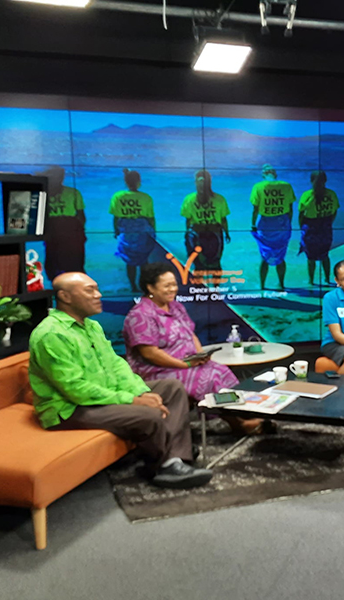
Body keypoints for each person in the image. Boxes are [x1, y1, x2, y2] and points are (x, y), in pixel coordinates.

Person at [28, 272, 212, 489]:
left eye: (97, 289)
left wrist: (141, 392)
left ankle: (172, 456)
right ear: (65, 297)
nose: (98, 295)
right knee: (149, 414)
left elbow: (116, 365)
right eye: (90, 290)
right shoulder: (51, 334)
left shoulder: (91, 326)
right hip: (69, 409)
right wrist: (132, 400)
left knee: (171, 388)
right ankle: (165, 464)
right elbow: (74, 389)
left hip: (102, 395)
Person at [123, 263, 265, 435]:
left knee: (220, 370)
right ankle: (238, 423)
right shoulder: (140, 315)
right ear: (150, 287)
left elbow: (191, 335)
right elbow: (150, 353)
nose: (173, 289)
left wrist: (200, 356)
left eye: (174, 284)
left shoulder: (176, 307)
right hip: (159, 371)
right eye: (167, 286)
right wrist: (184, 365)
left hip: (187, 364)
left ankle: (243, 413)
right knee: (209, 377)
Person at [250, 164, 296, 290]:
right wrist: (288, 224)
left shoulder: (258, 186)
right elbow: (290, 208)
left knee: (264, 255)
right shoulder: (286, 186)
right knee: (281, 254)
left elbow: (255, 209)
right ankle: (281, 284)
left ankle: (262, 286)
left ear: (263, 175)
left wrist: (253, 224)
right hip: (282, 223)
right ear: (275, 174)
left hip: (266, 224)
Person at [109, 168, 155, 292]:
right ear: (139, 181)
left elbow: (116, 217)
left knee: (130, 261)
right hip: (142, 231)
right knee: (144, 260)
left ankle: (133, 286)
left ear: (126, 182)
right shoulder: (146, 197)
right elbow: (150, 218)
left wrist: (115, 230)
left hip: (126, 231)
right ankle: (144, 286)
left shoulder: (118, 196)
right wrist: (154, 232)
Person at [180, 170, 230, 281]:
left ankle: (200, 289)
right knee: (214, 263)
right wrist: (227, 233)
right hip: (214, 234)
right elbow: (223, 220)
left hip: (199, 234)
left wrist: (187, 234)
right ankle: (215, 288)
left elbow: (188, 220)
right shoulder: (219, 199)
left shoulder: (189, 199)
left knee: (200, 265)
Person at [41, 167, 86, 281]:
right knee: (55, 267)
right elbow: (81, 217)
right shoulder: (44, 193)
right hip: (59, 232)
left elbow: (81, 216)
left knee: (71, 266)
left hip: (67, 231)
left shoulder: (73, 192)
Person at [298, 170, 339, 286]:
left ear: (311, 180)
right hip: (326, 225)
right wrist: (329, 223)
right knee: (325, 255)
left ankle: (311, 281)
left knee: (310, 257)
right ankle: (327, 279)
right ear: (325, 180)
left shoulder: (307, 195)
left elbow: (301, 214)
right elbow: (335, 211)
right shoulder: (331, 194)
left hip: (310, 226)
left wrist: (301, 227)